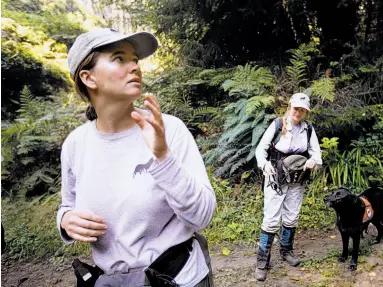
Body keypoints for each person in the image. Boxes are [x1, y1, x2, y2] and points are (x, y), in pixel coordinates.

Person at [56, 28, 217, 287]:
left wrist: (163, 157)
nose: (135, 67)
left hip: (179, 278)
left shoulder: (168, 129)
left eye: (135, 60)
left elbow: (202, 216)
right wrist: (65, 221)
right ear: (88, 78)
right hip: (115, 281)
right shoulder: (75, 144)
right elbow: (67, 205)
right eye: (120, 59)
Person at [254, 92, 322, 281]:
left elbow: (316, 153)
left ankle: (286, 250)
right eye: (296, 109)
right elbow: (261, 149)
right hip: (275, 177)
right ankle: (262, 260)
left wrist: (313, 161)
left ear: (305, 112)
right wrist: (264, 164)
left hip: (298, 178)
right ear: (290, 107)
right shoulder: (277, 125)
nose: (298, 113)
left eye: (302, 110)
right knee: (271, 219)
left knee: (292, 216)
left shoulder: (308, 129)